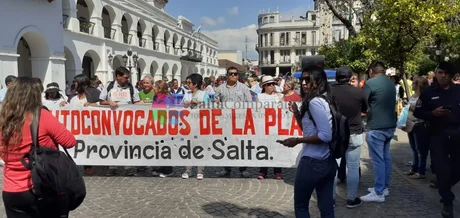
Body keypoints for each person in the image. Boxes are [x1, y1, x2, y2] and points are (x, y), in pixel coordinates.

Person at [0, 76, 76, 217]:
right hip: (42, 187)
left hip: (12, 191)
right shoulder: (41, 116)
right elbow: (70, 141)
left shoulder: (3, 119)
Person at [281, 65, 336, 217]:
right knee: (326, 208)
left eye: (308, 79)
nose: (304, 83)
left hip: (313, 162)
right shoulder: (323, 99)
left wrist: (297, 140)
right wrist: (298, 115)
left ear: (318, 81)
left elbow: (325, 135)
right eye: (302, 79)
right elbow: (310, 130)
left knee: (300, 207)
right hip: (327, 161)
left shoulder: (315, 102)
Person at [414, 62, 460, 218]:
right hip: (437, 135)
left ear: (452, 75)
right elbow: (418, 112)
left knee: (457, 169)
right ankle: (447, 201)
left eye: (446, 73)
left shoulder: (459, 91)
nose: (442, 76)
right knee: (441, 170)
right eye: (440, 72)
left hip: (457, 135)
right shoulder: (428, 92)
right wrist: (432, 113)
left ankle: (443, 184)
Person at [331, 66, 368, 208]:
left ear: (337, 77)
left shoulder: (330, 92)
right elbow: (365, 110)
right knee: (353, 168)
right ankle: (351, 199)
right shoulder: (359, 92)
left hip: (336, 134)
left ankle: (331, 199)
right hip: (354, 132)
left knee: (334, 167)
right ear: (350, 77)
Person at [360, 61, 396, 203]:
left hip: (376, 126)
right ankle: (384, 187)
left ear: (371, 71)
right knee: (386, 158)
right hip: (390, 125)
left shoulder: (371, 83)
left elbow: (363, 102)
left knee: (378, 160)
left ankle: (379, 191)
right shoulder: (390, 84)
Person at [100, 66, 140, 176]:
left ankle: (128, 166)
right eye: (125, 78)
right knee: (113, 143)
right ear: (118, 76)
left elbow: (136, 101)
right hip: (113, 121)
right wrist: (109, 103)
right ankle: (113, 166)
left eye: (128, 78)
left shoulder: (130, 87)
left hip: (128, 121)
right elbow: (101, 101)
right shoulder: (109, 86)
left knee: (128, 142)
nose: (127, 80)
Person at [214, 67, 252, 178]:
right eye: (231, 74)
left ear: (238, 76)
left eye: (235, 74)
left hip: (240, 121)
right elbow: (216, 102)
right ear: (227, 75)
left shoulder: (244, 88)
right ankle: (226, 168)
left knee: (241, 145)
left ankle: (243, 169)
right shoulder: (220, 88)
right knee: (226, 145)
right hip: (225, 121)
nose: (233, 75)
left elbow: (249, 103)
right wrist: (216, 103)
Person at [181, 74, 210, 180]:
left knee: (200, 147)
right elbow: (180, 106)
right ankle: (188, 169)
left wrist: (197, 102)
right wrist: (184, 104)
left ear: (195, 84)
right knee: (188, 147)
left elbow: (208, 107)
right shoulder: (186, 94)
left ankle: (200, 169)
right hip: (188, 124)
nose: (187, 85)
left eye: (189, 83)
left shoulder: (203, 94)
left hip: (199, 124)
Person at [256, 76, 283, 180]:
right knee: (264, 148)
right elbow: (256, 111)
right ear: (264, 86)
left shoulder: (280, 96)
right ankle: (263, 171)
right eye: (268, 84)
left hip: (276, 127)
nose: (271, 86)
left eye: (272, 84)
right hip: (263, 127)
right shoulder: (259, 96)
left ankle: (278, 171)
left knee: (277, 148)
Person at [404, 76, 430, 179]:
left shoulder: (423, 97)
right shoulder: (413, 95)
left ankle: (421, 171)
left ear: (418, 85)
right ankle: (414, 168)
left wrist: (410, 107)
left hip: (419, 124)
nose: (412, 84)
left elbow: (422, 111)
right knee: (414, 148)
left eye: (414, 82)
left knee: (420, 149)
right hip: (410, 124)